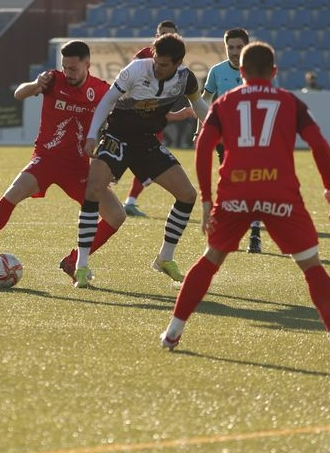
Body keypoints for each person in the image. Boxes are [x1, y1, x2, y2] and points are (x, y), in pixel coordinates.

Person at [159, 41, 330, 360]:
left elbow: (203, 146)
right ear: (275, 71)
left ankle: (172, 333)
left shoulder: (226, 103)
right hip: (279, 194)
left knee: (210, 260)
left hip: (235, 193)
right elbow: (318, 143)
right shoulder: (288, 101)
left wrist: (209, 200)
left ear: (241, 72)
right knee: (311, 266)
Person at [0, 41, 124, 283]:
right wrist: (36, 84)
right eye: (65, 67)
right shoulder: (53, 80)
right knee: (12, 193)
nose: (68, 73)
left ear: (87, 65)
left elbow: (118, 118)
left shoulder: (101, 90)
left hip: (78, 167)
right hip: (45, 160)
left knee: (116, 216)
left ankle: (74, 260)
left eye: (74, 68)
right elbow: (19, 93)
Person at [73, 33, 209, 288]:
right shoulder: (136, 69)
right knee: (93, 189)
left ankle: (165, 258)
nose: (158, 67)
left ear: (178, 63)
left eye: (165, 65)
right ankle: (81, 266)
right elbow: (108, 101)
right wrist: (92, 134)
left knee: (188, 194)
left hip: (146, 143)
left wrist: (217, 130)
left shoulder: (185, 78)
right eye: (156, 61)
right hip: (117, 137)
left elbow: (199, 105)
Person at [200, 28, 264, 253]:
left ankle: (255, 233)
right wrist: (201, 130)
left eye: (239, 47)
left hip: (253, 138)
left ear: (247, 47)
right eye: (231, 47)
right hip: (225, 139)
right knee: (231, 184)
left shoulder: (258, 71)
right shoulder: (217, 72)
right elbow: (203, 102)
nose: (235, 52)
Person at [125, 20, 189, 218]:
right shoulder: (143, 57)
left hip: (151, 120)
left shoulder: (177, 65)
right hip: (132, 117)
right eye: (161, 33)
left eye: (168, 34)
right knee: (128, 157)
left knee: (145, 159)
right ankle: (115, 199)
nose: (164, 37)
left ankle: (129, 201)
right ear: (156, 36)